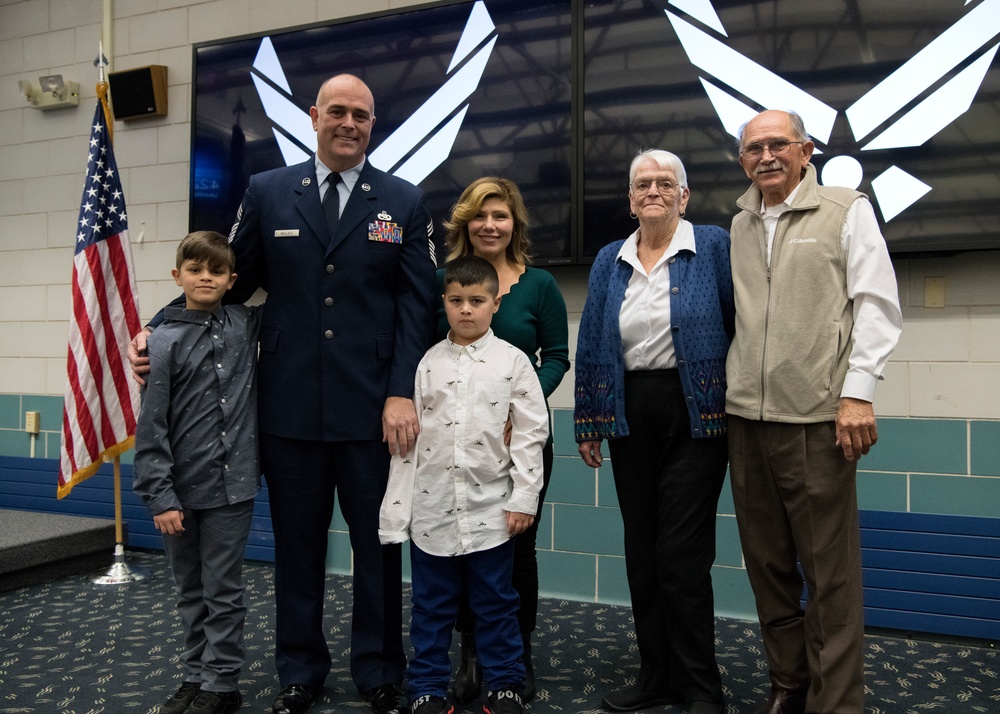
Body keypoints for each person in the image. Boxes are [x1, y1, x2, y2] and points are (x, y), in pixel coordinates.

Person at [129, 74, 438, 714]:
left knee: (378, 548)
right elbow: (226, 279)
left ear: (371, 125)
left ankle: (380, 671)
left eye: (361, 114)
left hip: (373, 412)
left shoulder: (403, 202)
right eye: (337, 112)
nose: (349, 123)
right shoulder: (269, 193)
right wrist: (159, 331)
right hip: (289, 406)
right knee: (296, 547)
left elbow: (417, 308)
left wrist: (402, 391)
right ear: (313, 115)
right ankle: (300, 671)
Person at [727, 109, 902, 714]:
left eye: (779, 144)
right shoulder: (740, 223)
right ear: (742, 159)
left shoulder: (845, 210)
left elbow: (876, 305)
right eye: (754, 148)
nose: (767, 156)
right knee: (767, 568)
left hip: (818, 419)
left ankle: (836, 703)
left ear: (806, 151)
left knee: (829, 578)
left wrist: (857, 392)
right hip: (746, 421)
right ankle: (789, 683)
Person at [574, 149, 734, 714]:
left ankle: (699, 688)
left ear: (684, 196)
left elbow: (739, 320)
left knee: (680, 555)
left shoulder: (712, 245)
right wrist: (591, 419)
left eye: (666, 183)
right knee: (642, 552)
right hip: (628, 412)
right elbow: (594, 337)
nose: (654, 192)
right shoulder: (608, 259)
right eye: (642, 183)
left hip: (698, 413)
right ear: (630, 197)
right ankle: (656, 676)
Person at [379, 254, 549, 714]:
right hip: (431, 514)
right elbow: (406, 445)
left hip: (491, 512)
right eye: (457, 301)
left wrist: (523, 499)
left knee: (496, 603)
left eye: (477, 300)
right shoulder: (425, 365)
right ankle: (428, 688)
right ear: (444, 304)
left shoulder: (513, 363)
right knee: (431, 608)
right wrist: (398, 511)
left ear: (495, 303)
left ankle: (505, 684)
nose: (467, 310)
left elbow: (532, 435)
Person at [435, 177, 569, 703]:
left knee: (518, 549)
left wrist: (520, 408)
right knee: (464, 545)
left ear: (515, 223)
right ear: (465, 221)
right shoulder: (441, 281)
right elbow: (431, 356)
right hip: (456, 446)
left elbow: (556, 356)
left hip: (522, 442)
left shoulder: (540, 286)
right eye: (480, 215)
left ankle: (515, 655)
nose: (490, 225)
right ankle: (470, 655)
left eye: (501, 216)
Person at [133, 231, 262, 714]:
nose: (205, 277)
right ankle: (194, 673)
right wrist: (159, 496)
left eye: (216, 271)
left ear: (232, 280)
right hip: (179, 493)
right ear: (177, 277)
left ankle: (221, 683)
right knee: (189, 589)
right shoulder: (161, 343)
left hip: (233, 489)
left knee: (224, 589)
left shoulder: (245, 324)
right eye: (194, 270)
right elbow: (152, 426)